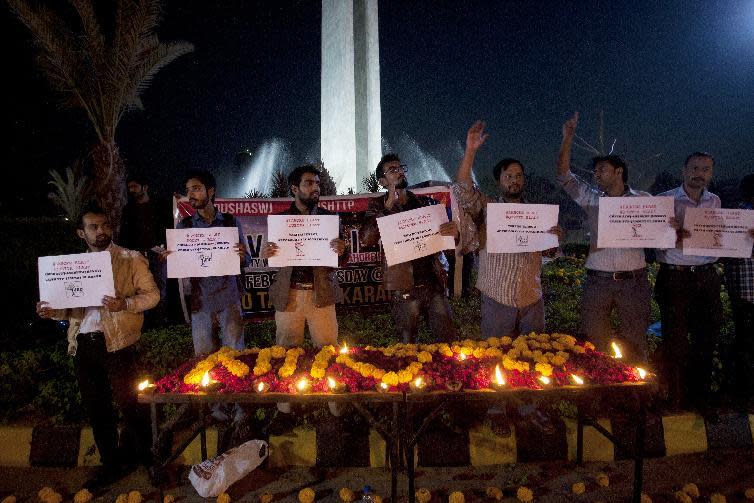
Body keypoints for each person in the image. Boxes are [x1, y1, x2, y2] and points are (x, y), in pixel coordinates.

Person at [36, 203, 159, 489]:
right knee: (97, 409)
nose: (101, 230)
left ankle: (150, 460)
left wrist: (125, 304)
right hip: (83, 344)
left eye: (104, 225)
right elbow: (67, 310)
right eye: (93, 227)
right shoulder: (72, 267)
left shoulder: (130, 259)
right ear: (82, 233)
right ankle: (111, 465)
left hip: (118, 343)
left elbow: (152, 296)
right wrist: (50, 310)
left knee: (130, 405)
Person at [557, 112, 652, 363]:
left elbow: (662, 229)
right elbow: (565, 176)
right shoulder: (592, 199)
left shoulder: (644, 201)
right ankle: (600, 395)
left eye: (602, 170)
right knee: (594, 342)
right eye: (594, 171)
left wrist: (670, 225)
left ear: (619, 171)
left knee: (636, 340)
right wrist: (568, 138)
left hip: (634, 281)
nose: (596, 174)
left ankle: (635, 396)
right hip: (598, 281)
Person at [454, 121, 562, 337]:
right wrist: (470, 151)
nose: (514, 181)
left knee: (534, 358)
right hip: (497, 297)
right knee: (497, 360)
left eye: (519, 176)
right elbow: (463, 189)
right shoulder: (487, 208)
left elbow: (550, 253)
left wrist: (556, 237)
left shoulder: (537, 214)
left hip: (531, 298)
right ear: (499, 181)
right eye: (508, 176)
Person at [360, 153, 459, 343]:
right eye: (392, 170)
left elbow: (448, 245)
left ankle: (446, 372)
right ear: (382, 181)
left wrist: (454, 234)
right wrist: (386, 209)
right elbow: (366, 239)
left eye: (400, 168)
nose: (399, 172)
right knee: (408, 346)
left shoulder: (425, 203)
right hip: (403, 287)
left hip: (433, 283)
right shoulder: (377, 206)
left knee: (449, 342)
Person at [655, 152, 723, 411]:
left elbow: (719, 236)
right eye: (694, 168)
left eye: (705, 169)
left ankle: (700, 399)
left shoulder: (715, 201)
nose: (700, 173)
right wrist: (669, 234)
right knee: (675, 341)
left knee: (707, 339)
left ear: (711, 173)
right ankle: (676, 399)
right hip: (675, 276)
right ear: (684, 171)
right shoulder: (664, 201)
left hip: (706, 276)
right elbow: (652, 240)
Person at [262, 164, 348, 347]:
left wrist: (342, 251)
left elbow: (341, 260)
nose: (316, 188)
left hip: (322, 294)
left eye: (317, 183)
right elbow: (275, 259)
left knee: (328, 352)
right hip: (289, 295)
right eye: (309, 183)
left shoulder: (330, 220)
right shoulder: (281, 221)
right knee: (287, 356)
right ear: (294, 189)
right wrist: (268, 253)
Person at [176, 169, 250, 356]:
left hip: (229, 297)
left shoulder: (230, 221)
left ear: (211, 191)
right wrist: (171, 258)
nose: (190, 194)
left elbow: (246, 260)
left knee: (235, 356)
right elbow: (181, 264)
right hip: (200, 301)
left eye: (196, 188)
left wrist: (242, 256)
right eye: (188, 190)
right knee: (203, 359)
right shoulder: (184, 226)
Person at [120, 173, 172, 327]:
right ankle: (144, 326)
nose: (131, 190)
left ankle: (161, 324)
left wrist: (167, 248)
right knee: (140, 291)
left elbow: (170, 227)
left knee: (160, 290)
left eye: (135, 186)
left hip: (158, 256)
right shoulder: (128, 209)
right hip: (136, 258)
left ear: (145, 187)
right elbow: (124, 234)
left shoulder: (160, 205)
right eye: (129, 187)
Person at [722, 174, 754, 409]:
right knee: (744, 342)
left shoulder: (734, 214)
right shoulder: (739, 216)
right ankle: (743, 391)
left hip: (741, 288)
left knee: (744, 341)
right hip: (744, 287)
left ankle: (743, 391)